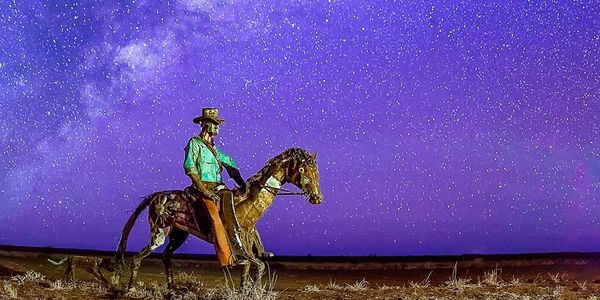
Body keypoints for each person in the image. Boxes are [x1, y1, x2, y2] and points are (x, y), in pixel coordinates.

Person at [183, 107, 248, 267]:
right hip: (202, 188)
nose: (217, 127)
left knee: (233, 208)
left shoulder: (215, 150)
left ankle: (242, 247)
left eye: (218, 124)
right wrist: (204, 191)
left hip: (220, 188)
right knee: (214, 216)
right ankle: (229, 258)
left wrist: (243, 184)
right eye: (214, 124)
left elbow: (230, 163)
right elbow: (190, 168)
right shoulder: (194, 143)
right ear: (205, 125)